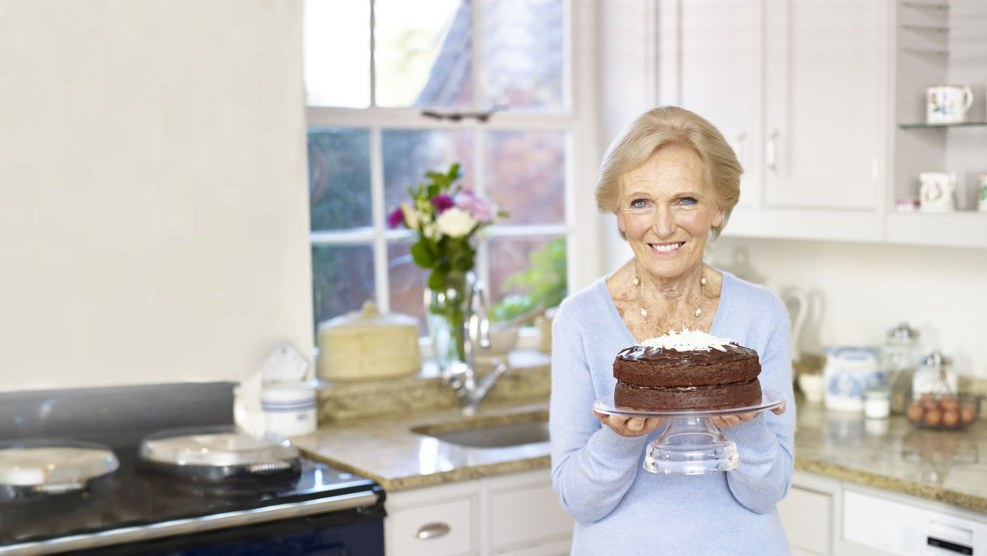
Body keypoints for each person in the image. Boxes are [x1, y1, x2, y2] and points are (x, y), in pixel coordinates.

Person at [549, 106, 796, 555]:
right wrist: (620, 439)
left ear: (718, 209)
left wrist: (746, 428)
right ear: (620, 216)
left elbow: (768, 492)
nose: (663, 226)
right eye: (641, 202)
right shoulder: (580, 319)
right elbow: (576, 500)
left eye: (686, 200)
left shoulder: (762, 313)